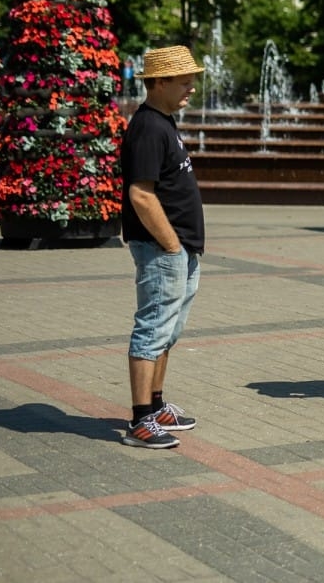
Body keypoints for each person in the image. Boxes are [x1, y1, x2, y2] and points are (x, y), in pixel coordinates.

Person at [120, 45, 206, 449]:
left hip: (180, 250)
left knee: (168, 332)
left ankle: (154, 406)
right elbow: (141, 194)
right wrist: (171, 246)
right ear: (159, 82)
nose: (191, 89)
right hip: (163, 250)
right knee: (153, 330)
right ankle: (140, 421)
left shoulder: (164, 122)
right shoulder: (150, 127)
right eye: (185, 82)